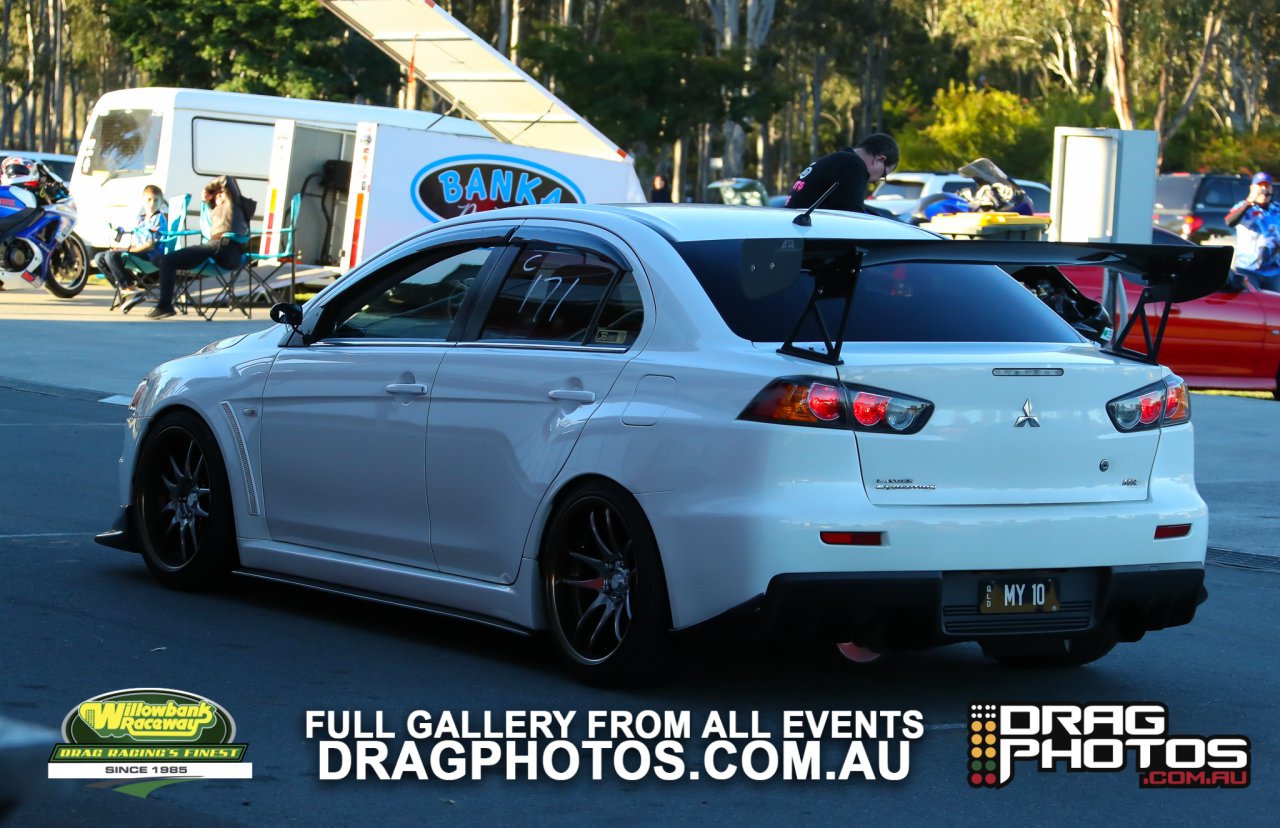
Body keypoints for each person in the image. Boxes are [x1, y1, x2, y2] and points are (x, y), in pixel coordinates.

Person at [149, 175, 255, 319]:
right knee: (167, 260)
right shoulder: (219, 210)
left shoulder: (234, 203)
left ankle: (164, 306)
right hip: (223, 253)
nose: (217, 197)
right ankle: (163, 265)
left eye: (219, 193)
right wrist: (208, 201)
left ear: (226, 194)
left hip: (224, 247)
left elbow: (227, 179)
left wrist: (208, 189)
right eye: (215, 195)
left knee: (168, 260)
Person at [784, 133, 899, 214]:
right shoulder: (852, 165)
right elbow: (852, 219)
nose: (875, 181)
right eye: (883, 175)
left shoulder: (837, 160)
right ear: (879, 160)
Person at [94, 184, 166, 295]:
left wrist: (128, 251)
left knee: (111, 256)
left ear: (161, 202)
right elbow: (136, 243)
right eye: (149, 200)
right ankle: (123, 287)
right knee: (99, 257)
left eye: (156, 200)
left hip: (151, 256)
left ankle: (130, 288)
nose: (152, 203)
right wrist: (121, 248)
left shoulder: (159, 219)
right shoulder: (141, 219)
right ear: (143, 201)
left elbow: (150, 245)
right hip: (139, 252)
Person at [1225, 172, 1280, 292]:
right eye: (1260, 186)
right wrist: (1249, 202)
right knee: (1253, 305)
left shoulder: (1277, 209)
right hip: (1248, 270)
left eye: (1267, 186)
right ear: (1252, 188)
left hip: (1274, 271)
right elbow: (1229, 221)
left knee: (1275, 306)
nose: (1263, 189)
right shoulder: (1244, 207)